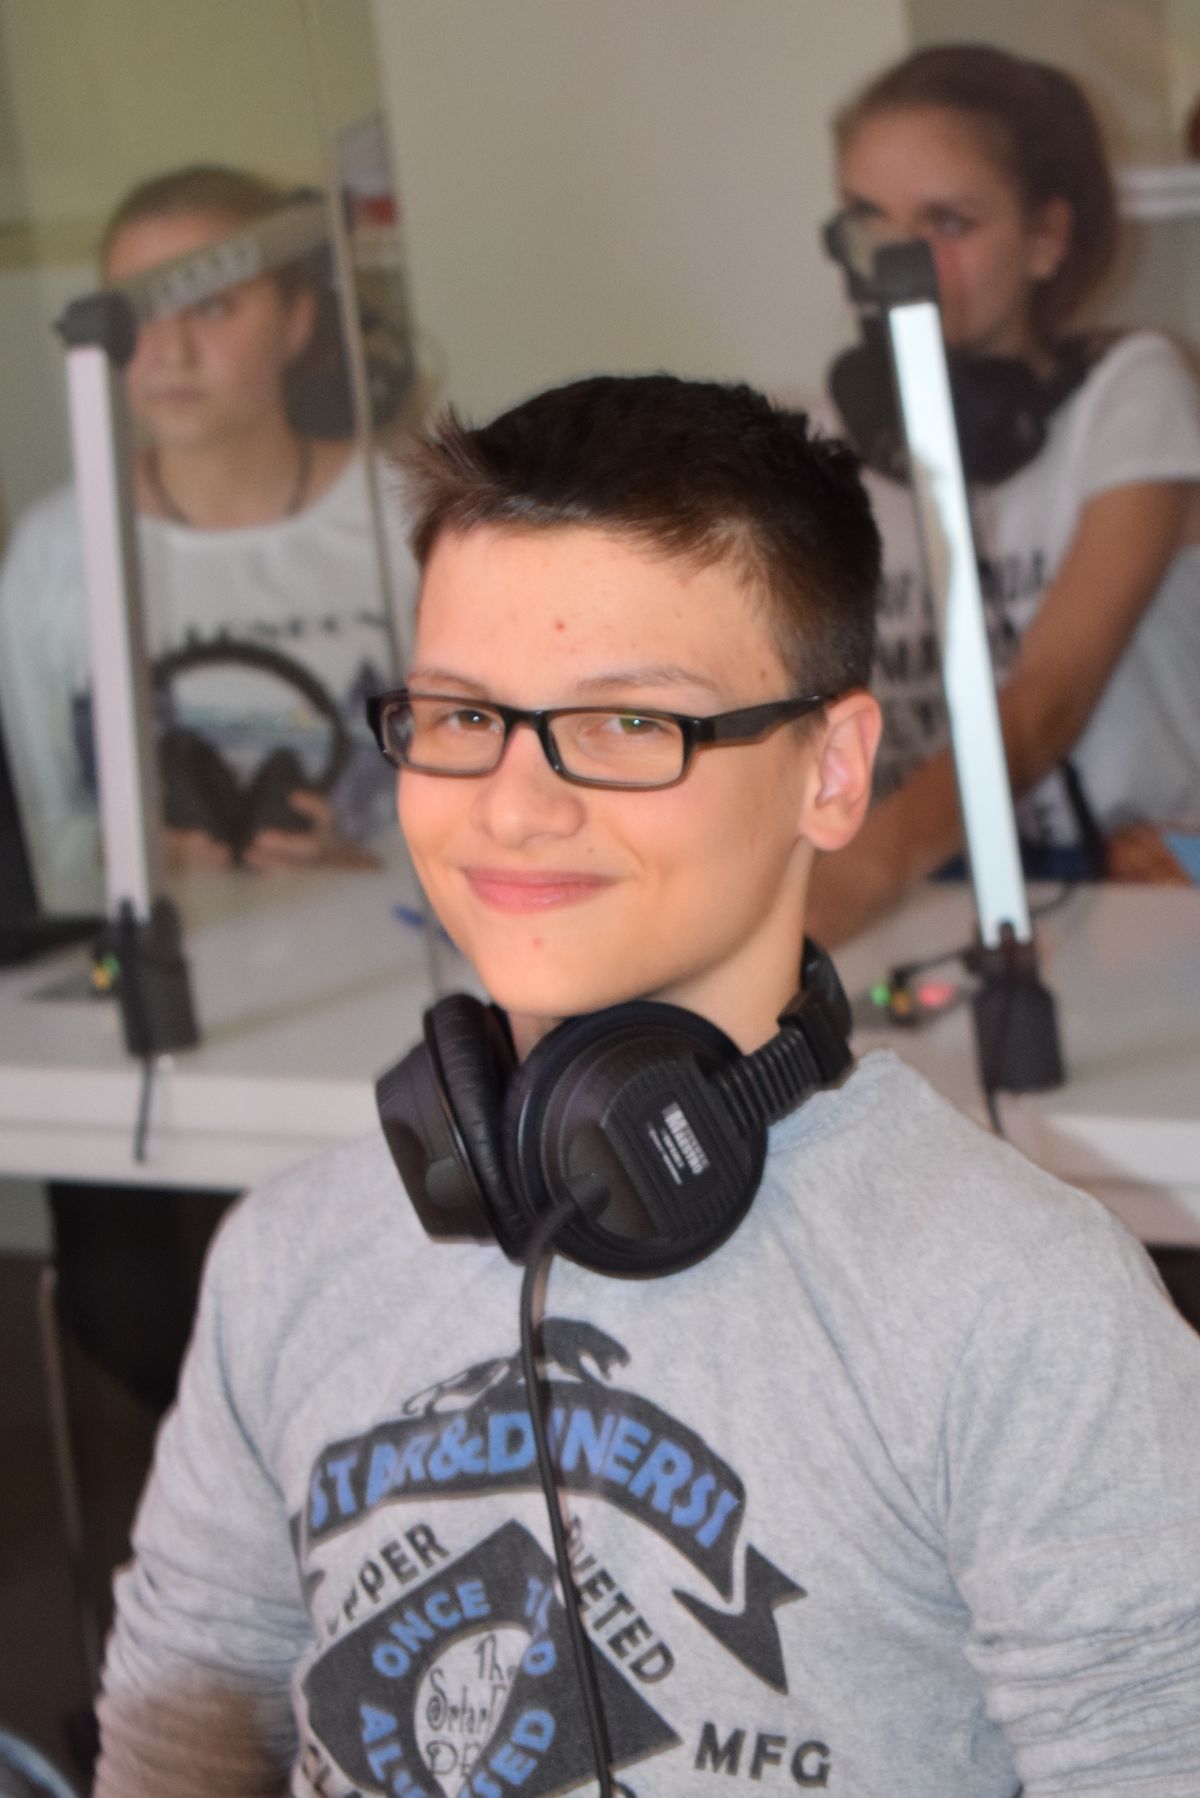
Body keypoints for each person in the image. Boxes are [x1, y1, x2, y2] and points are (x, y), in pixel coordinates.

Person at [91, 372, 1200, 1797]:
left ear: (832, 772)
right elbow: (179, 1731)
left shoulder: (1020, 1310)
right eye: (461, 714)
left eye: (628, 724)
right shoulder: (288, 1259)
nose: (513, 802)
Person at [809, 43, 1200, 945]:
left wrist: (852, 881)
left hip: (1135, 899)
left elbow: (1046, 702)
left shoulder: (1135, 391)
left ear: (1046, 238)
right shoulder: (831, 440)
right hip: (930, 900)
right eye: (868, 220)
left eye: (947, 221)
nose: (896, 260)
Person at [0, 164, 417, 914]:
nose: (171, 351)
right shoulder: (54, 551)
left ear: (297, 321)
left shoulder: (410, 518)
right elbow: (38, 826)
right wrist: (118, 853)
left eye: (212, 307)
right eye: (137, 315)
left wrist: (376, 855)